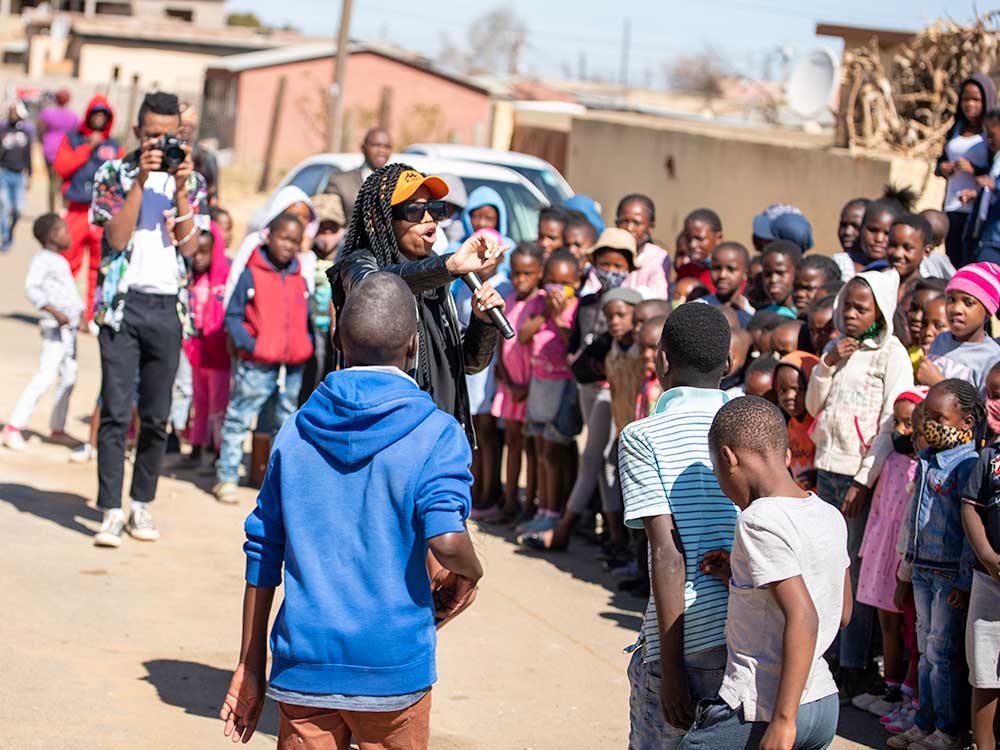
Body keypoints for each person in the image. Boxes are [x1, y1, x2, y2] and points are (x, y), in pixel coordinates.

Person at [219, 272, 483, 750]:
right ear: (414, 345)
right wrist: (471, 573)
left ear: (337, 339)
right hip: (393, 670)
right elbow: (447, 540)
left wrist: (249, 665)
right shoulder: (437, 433)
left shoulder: (296, 430)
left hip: (305, 664)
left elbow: (263, 551)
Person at [678, 396, 849, 750]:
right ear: (784, 454)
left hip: (762, 706)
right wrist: (740, 576)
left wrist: (784, 721)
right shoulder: (829, 514)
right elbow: (842, 611)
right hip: (821, 703)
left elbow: (804, 615)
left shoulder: (758, 519)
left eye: (716, 472)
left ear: (728, 458)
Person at [90, 91, 208, 548]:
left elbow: (191, 248)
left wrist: (179, 188)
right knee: (116, 414)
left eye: (169, 135)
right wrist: (140, 180)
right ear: (138, 132)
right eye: (153, 135)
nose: (161, 143)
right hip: (122, 307)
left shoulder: (192, 181)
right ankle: (110, 510)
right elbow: (117, 239)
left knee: (157, 417)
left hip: (167, 309)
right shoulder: (112, 174)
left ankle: (141, 503)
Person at [619, 302, 735, 750]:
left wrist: (670, 672)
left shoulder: (643, 436)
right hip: (748, 626)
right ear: (729, 364)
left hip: (685, 635)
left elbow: (667, 552)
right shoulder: (751, 424)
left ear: (662, 360)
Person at [329, 164, 505, 448]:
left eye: (434, 209)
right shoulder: (358, 264)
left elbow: (468, 363)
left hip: (440, 436)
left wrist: (482, 323)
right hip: (387, 435)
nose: (429, 219)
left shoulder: (435, 273)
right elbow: (377, 288)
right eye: (413, 210)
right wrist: (447, 267)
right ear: (379, 218)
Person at [805, 269, 913, 699]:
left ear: (879, 312)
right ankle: (827, 654)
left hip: (858, 476)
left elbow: (890, 422)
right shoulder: (837, 349)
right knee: (826, 565)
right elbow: (814, 405)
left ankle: (854, 664)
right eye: (846, 306)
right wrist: (827, 364)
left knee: (852, 569)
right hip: (828, 469)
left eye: (861, 308)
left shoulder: (891, 354)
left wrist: (864, 480)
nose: (850, 314)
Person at [891, 379, 983, 750]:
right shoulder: (927, 460)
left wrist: (963, 580)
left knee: (942, 654)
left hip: (948, 575)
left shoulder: (968, 466)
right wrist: (907, 570)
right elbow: (915, 520)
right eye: (926, 416)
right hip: (923, 571)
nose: (929, 424)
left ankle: (947, 730)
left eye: (938, 418)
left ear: (966, 423)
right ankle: (925, 722)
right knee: (926, 654)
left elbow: (968, 532)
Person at [520, 286, 642, 552]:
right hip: (618, 417)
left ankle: (570, 529)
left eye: (621, 315)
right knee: (600, 464)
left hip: (634, 424)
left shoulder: (644, 351)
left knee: (597, 462)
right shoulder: (610, 346)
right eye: (609, 317)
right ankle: (615, 538)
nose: (614, 322)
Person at [213, 213, 313, 503]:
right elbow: (233, 316)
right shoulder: (250, 274)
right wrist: (252, 346)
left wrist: (303, 344)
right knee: (239, 418)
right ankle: (227, 477)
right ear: (269, 236)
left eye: (295, 241)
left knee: (283, 425)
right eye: (284, 238)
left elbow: (305, 318)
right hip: (257, 365)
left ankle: (275, 484)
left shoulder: (299, 277)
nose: (288, 245)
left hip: (290, 368)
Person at [851, 388, 926, 720]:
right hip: (881, 551)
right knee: (888, 624)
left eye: (909, 423)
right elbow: (879, 509)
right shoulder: (892, 460)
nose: (901, 431)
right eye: (897, 422)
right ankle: (891, 687)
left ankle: (907, 694)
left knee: (911, 626)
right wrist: (868, 547)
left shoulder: (922, 468)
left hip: (902, 556)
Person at [3, 213, 82, 450]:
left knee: (69, 377)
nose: (69, 235)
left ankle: (58, 428)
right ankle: (14, 426)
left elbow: (70, 295)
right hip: (54, 329)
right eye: (64, 231)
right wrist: (53, 312)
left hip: (70, 330)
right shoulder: (42, 261)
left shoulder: (60, 261)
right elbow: (32, 288)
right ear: (52, 236)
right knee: (46, 376)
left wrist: (82, 316)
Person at [518, 250, 581, 532]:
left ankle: (554, 513)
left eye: (565, 284)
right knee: (541, 451)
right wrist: (545, 313)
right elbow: (523, 335)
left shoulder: (576, 309)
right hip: (540, 384)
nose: (557, 289)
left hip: (563, 386)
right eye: (552, 282)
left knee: (555, 452)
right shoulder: (539, 304)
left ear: (576, 283)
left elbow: (573, 346)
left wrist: (558, 317)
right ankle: (543, 509)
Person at [453, 229, 513, 519]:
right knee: (471, 430)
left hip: (493, 368)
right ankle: (473, 488)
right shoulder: (463, 284)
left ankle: (490, 491)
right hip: (470, 368)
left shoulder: (506, 287)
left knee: (487, 432)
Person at [54, 95, 123, 321]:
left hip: (101, 215)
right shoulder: (73, 139)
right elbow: (62, 167)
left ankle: (91, 316)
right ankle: (62, 308)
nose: (99, 119)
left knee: (98, 266)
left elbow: (121, 180)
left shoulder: (114, 147)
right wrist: (86, 148)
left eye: (103, 115)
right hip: (76, 210)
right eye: (96, 114)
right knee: (67, 261)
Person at [492, 243, 543, 520]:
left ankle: (530, 504)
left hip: (532, 388)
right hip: (511, 387)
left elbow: (540, 346)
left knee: (532, 448)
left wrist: (527, 387)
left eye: (527, 273)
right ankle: (510, 501)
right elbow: (502, 342)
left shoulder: (543, 304)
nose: (520, 279)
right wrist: (508, 381)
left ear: (539, 273)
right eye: (516, 273)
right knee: (512, 443)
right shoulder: (508, 300)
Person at [961, 416, 1000, 750]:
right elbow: (971, 508)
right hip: (990, 581)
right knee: (985, 672)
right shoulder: (990, 457)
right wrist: (988, 557)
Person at [179, 223, 230, 470]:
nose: (198, 258)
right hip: (197, 352)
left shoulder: (223, 281)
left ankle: (219, 452)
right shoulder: (191, 279)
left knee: (218, 407)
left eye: (204, 253)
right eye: (195, 253)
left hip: (219, 354)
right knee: (199, 404)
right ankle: (196, 448)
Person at [937, 74, 997, 269]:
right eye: (966, 99)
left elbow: (994, 172)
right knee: (952, 260)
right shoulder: (957, 128)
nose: (970, 105)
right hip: (953, 204)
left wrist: (974, 170)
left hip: (976, 209)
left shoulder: (991, 134)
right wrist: (943, 168)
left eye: (976, 100)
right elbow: (940, 161)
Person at [224, 186, 318, 309]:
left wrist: (303, 254)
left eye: (305, 217)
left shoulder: (308, 255)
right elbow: (234, 279)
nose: (299, 220)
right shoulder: (254, 242)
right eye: (295, 214)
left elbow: (306, 294)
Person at [918, 261, 1000, 393]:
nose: (956, 309)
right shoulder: (940, 340)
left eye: (968, 303)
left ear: (987, 312)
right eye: (951, 299)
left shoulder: (992, 359)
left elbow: (983, 405)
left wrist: (938, 383)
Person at [299, 216, 343, 405]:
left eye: (332, 232)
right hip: (312, 324)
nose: (327, 238)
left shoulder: (346, 255)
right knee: (313, 369)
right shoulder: (309, 257)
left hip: (335, 324)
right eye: (322, 232)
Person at [325, 127, 393, 226]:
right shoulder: (340, 182)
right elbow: (328, 226)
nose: (381, 150)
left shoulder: (397, 183)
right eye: (376, 145)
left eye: (387, 146)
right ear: (363, 148)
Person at [774, 351, 819, 490]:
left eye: (798, 389)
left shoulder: (819, 424)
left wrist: (818, 476)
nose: (789, 396)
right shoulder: (789, 425)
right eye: (782, 390)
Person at [616, 194, 670, 297]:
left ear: (650, 226)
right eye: (624, 221)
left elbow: (659, 297)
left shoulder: (657, 258)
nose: (629, 228)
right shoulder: (606, 253)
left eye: (636, 223)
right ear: (616, 223)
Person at [37, 89, 78, 213]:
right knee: (65, 182)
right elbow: (76, 134)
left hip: (50, 152)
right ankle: (64, 209)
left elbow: (40, 130)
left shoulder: (47, 113)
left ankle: (52, 211)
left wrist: (44, 143)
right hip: (66, 153)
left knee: (52, 183)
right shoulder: (73, 116)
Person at [0, 100, 34, 251]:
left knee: (18, 209)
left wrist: (30, 175)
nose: (12, 114)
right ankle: (6, 236)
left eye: (15, 111)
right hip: (4, 173)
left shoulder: (25, 132)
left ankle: (10, 230)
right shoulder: (3, 131)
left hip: (20, 176)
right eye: (11, 111)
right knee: (4, 207)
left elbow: (28, 155)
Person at [702, 241, 754, 326]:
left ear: (745, 273)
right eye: (717, 268)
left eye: (731, 269)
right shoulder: (699, 308)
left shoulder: (751, 314)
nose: (722, 275)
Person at [178, 102, 220, 205]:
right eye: (183, 124)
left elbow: (214, 194)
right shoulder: (170, 154)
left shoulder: (207, 156)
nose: (185, 129)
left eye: (189, 125)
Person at [887, 213, 936, 297]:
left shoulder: (928, 293)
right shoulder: (877, 284)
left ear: (926, 252)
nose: (897, 254)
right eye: (893, 245)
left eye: (907, 248)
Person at [676, 208, 722, 290]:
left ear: (718, 238)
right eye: (688, 238)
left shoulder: (727, 273)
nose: (692, 245)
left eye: (700, 239)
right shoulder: (685, 271)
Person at [832, 198, 870, 279]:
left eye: (856, 226)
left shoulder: (888, 265)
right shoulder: (838, 264)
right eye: (843, 225)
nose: (847, 232)